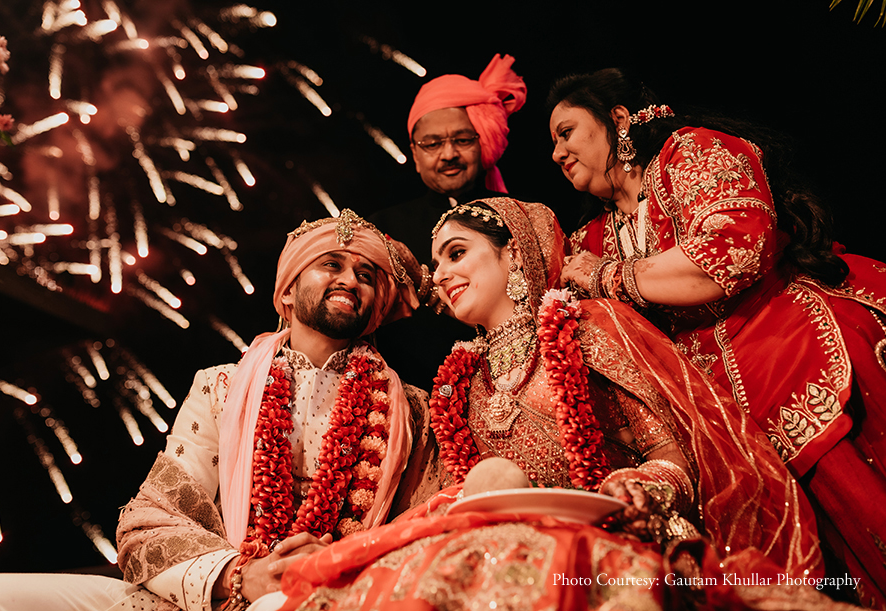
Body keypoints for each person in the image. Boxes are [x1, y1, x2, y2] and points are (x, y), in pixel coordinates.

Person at [273, 198, 855, 611]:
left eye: (456, 253)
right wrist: (343, 549)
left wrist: (638, 490)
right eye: (438, 262)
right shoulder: (460, 385)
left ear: (512, 255)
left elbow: (673, 454)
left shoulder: (587, 329)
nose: (441, 274)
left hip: (608, 538)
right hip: (503, 554)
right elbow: (447, 501)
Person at [0, 209, 441, 611]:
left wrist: (329, 568)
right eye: (331, 264)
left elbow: (425, 527)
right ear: (287, 293)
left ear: (377, 308)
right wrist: (243, 575)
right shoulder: (222, 386)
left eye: (366, 275)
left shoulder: (411, 411)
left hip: (334, 594)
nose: (350, 280)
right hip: (216, 588)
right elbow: (148, 522)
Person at [549, 68, 886, 608]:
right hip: (711, 408)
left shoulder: (689, 153)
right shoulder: (590, 237)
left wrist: (610, 277)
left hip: (785, 337)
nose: (557, 153)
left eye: (566, 132)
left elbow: (729, 252)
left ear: (618, 119)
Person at [368, 54, 528, 392]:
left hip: (522, 388)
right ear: (415, 154)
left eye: (463, 139)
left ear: (483, 140)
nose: (449, 154)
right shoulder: (382, 229)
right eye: (432, 144)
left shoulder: (520, 214)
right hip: (417, 399)